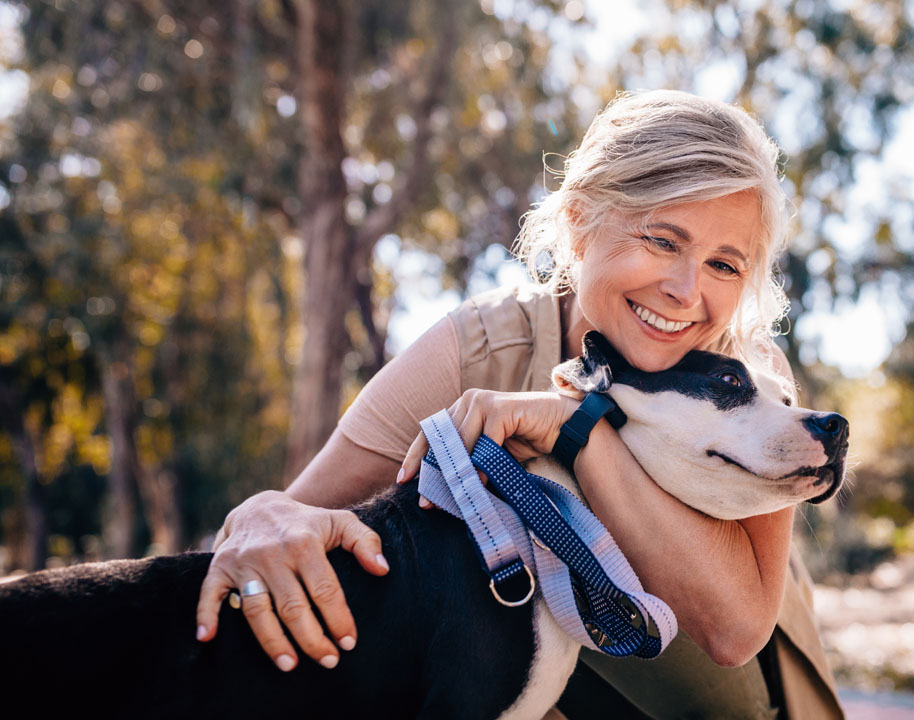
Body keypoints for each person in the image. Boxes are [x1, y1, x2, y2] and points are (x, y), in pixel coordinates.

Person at [195, 90, 843, 719]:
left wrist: (575, 432)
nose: (684, 290)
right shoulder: (476, 349)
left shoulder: (753, 380)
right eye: (663, 241)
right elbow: (297, 515)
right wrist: (258, 518)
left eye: (725, 266)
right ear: (580, 222)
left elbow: (732, 633)